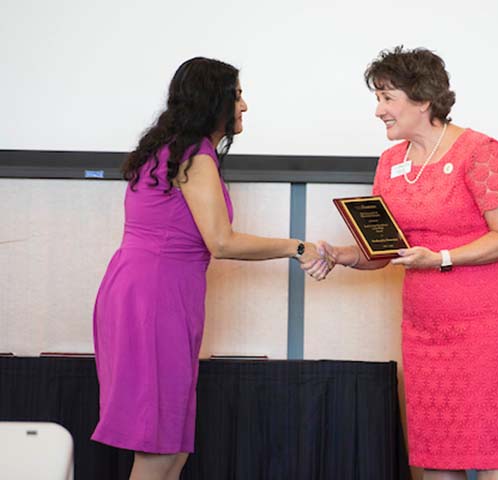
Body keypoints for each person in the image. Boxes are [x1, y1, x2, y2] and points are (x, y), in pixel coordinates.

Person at [91, 56, 331, 480]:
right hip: (156, 297)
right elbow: (221, 242)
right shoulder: (194, 158)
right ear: (214, 99)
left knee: (174, 446)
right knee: (159, 446)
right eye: (237, 95)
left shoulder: (170, 149)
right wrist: (298, 247)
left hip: (147, 290)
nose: (244, 105)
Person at [309, 47, 498, 480]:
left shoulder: (481, 152)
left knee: (492, 448)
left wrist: (442, 258)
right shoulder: (390, 162)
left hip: (488, 323)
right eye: (377, 98)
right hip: (425, 327)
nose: (378, 111)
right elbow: (384, 253)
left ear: (423, 100)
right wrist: (340, 255)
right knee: (435, 451)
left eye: (387, 98)